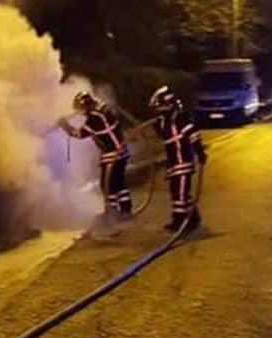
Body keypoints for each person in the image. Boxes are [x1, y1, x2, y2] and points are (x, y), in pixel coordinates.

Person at [60, 91, 133, 219]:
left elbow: (78, 134)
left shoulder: (94, 119)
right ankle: (125, 210)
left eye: (80, 108)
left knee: (107, 185)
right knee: (119, 182)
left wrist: (64, 125)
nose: (79, 112)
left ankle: (113, 212)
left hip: (112, 155)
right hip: (121, 152)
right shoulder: (103, 112)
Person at [149, 85, 207, 233]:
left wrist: (200, 153)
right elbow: (163, 135)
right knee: (178, 192)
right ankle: (193, 218)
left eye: (159, 107)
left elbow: (194, 136)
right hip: (173, 163)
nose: (158, 110)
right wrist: (157, 124)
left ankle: (181, 222)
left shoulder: (181, 119)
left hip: (183, 162)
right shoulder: (164, 121)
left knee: (180, 193)